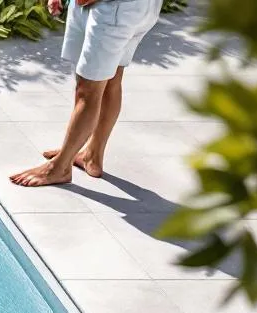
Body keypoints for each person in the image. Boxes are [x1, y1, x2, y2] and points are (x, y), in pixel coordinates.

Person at [10, 0, 166, 186]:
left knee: (88, 89)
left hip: (115, 8)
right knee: (110, 79)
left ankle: (59, 168)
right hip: (117, 8)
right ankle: (91, 155)